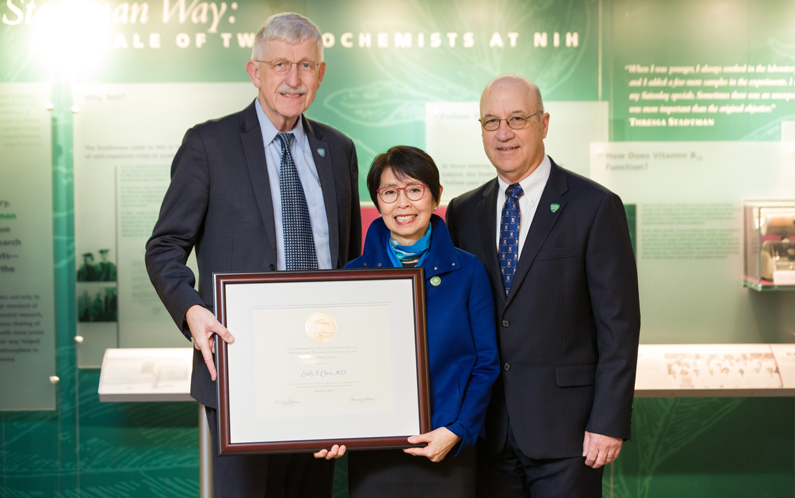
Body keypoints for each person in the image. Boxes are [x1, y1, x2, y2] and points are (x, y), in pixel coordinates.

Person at [144, 12, 361, 498]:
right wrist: (192, 309)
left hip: (322, 373)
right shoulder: (208, 145)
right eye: (280, 64)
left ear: (321, 75)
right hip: (241, 370)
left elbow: (348, 264)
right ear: (254, 71)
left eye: (306, 66)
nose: (293, 78)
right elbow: (164, 247)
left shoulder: (339, 150)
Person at [446, 75, 641, 497]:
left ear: (544, 123)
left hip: (570, 435)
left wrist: (607, 421)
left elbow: (619, 326)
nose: (504, 133)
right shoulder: (463, 212)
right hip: (488, 432)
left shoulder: (594, 207)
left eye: (517, 118)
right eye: (491, 121)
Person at [318, 146, 500, 497]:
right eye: (389, 193)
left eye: (414, 190)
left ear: (436, 197)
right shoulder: (351, 276)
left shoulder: (469, 271)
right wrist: (330, 425)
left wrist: (459, 430)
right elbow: (337, 363)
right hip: (374, 449)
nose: (403, 204)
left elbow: (486, 364)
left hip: (447, 445)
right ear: (377, 202)